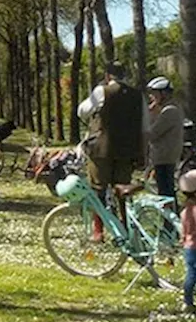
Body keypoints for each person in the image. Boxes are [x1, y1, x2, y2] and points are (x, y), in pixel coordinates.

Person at [78, 62, 149, 231]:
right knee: (123, 190)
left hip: (102, 150)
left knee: (98, 189)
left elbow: (82, 111)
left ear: (107, 76)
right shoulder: (138, 96)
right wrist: (143, 153)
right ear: (125, 76)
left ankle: (98, 230)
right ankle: (125, 226)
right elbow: (145, 128)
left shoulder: (102, 91)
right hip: (127, 151)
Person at [145, 76, 185, 199]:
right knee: (165, 190)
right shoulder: (170, 109)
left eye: (154, 94)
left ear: (164, 94)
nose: (152, 97)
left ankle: (170, 217)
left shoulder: (169, 111)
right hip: (164, 157)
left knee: (165, 193)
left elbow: (151, 134)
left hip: (165, 157)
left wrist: (149, 114)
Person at [179, 169, 196, 313]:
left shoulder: (185, 211)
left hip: (189, 247)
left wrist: (183, 240)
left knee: (191, 274)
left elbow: (183, 231)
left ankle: (187, 301)